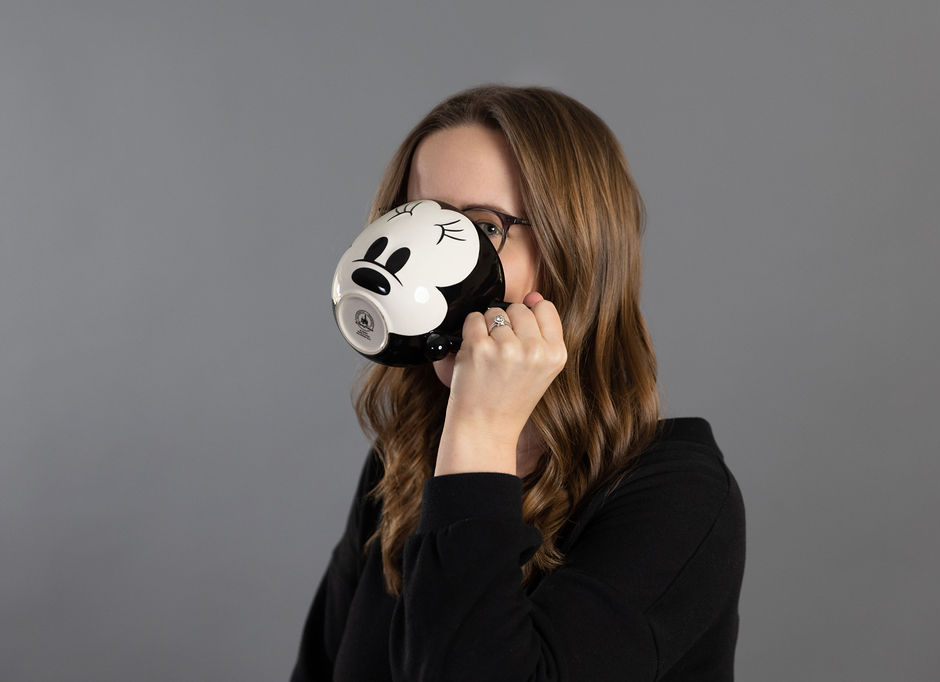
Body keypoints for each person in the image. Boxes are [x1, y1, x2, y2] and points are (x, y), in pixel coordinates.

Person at [290, 85, 745, 681]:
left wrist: (481, 430)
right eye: (418, 219)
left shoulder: (679, 498)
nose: (420, 262)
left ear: (574, 254)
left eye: (482, 227)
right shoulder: (402, 464)